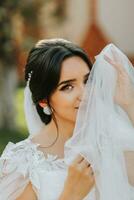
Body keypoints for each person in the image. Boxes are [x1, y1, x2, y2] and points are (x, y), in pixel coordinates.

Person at [0, 39, 134, 200]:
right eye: (67, 87)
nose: (85, 94)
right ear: (43, 100)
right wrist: (70, 195)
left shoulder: (111, 142)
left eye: (87, 81)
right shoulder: (21, 164)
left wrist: (129, 104)